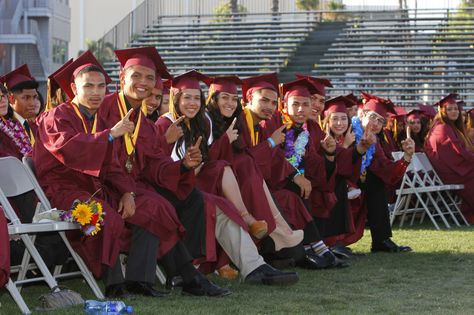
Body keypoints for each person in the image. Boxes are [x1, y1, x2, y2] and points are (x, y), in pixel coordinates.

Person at [104, 49, 298, 287]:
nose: (192, 103)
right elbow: (130, 163)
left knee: (217, 203)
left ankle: (254, 266)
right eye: (187, 97)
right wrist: (169, 149)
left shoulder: (161, 123)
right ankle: (190, 271)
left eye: (196, 98)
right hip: (133, 190)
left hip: (167, 184)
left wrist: (185, 166)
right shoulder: (150, 121)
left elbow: (157, 164)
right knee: (205, 202)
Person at [206, 75, 304, 253]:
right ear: (249, 99)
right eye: (264, 100)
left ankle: (290, 236)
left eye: (274, 103)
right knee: (247, 163)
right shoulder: (215, 121)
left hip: (237, 180)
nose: (269, 107)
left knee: (292, 194)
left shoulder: (241, 122)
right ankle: (280, 231)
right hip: (215, 181)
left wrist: (295, 174)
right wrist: (270, 143)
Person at [341, 92, 414, 252]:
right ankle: (336, 242)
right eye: (373, 117)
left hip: (360, 180)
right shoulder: (347, 129)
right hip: (343, 179)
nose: (376, 123)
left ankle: (381, 240)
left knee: (377, 183)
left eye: (380, 121)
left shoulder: (375, 141)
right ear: (362, 114)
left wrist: (406, 157)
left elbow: (385, 168)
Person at [316, 96, 375, 255]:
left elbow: (348, 167)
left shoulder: (346, 137)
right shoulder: (322, 138)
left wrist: (361, 147)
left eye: (343, 119)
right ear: (327, 121)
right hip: (324, 185)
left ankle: (339, 240)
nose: (340, 123)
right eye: (335, 119)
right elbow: (335, 167)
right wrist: (348, 145)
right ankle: (331, 241)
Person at [425, 93, 474, 224]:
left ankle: (468, 215)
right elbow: (460, 152)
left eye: (456, 109)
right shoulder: (442, 128)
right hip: (450, 173)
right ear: (442, 111)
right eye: (450, 109)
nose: (454, 111)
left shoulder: (448, 127)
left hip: (454, 170)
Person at [1, 64, 39, 146]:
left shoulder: (34, 127)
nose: (32, 103)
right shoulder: (5, 130)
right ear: (11, 99)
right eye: (26, 98)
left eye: (34, 97)